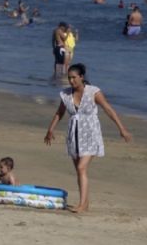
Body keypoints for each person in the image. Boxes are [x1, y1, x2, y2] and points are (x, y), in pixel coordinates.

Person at [44, 63, 132, 213]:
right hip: (74, 134)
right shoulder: (66, 94)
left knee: (81, 168)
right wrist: (50, 130)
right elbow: (60, 112)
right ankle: (85, 203)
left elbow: (108, 109)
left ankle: (82, 204)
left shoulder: (93, 92)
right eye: (69, 78)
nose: (71, 80)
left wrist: (122, 129)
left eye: (74, 77)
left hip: (90, 133)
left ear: (81, 77)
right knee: (79, 171)